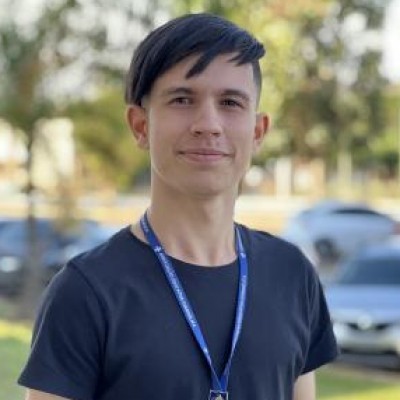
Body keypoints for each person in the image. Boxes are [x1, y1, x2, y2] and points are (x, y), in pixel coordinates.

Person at [19, 13, 338, 400]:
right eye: (183, 100)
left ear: (258, 131)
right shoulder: (86, 291)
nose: (209, 124)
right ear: (140, 126)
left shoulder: (292, 275)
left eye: (230, 102)